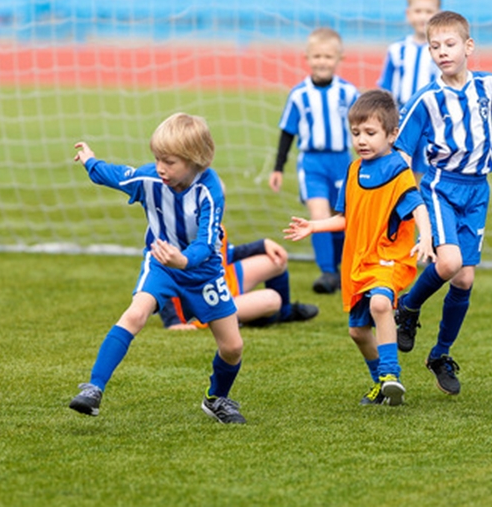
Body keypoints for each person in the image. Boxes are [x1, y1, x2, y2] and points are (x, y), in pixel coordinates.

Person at [68, 113, 247, 424]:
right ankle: (93, 388)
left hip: (203, 271)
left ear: (196, 159)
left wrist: (184, 260)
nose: (161, 167)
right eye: (157, 158)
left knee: (232, 346)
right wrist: (90, 162)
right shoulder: (150, 179)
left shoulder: (210, 189)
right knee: (135, 314)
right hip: (162, 265)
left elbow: (206, 243)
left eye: (170, 161)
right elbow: (115, 176)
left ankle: (217, 399)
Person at [392, 11, 492, 396]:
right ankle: (409, 306)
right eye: (434, 46)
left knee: (465, 278)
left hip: (478, 190)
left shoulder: (489, 87)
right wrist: (403, 196)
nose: (442, 52)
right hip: (440, 187)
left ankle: (440, 354)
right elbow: (401, 153)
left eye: (449, 44)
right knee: (450, 263)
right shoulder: (426, 99)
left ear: (469, 47)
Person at [285, 90, 435, 406]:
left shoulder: (397, 168)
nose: (361, 140)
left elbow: (417, 205)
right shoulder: (353, 170)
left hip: (388, 258)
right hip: (359, 263)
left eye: (370, 133)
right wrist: (315, 225)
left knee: (381, 305)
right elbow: (346, 218)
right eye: (356, 133)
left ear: (392, 134)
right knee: (357, 332)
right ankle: (382, 384)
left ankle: (392, 374)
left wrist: (426, 236)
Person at [269, 27, 360, 295]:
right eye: (317, 56)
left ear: (339, 58)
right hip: (312, 164)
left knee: (341, 216)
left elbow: (364, 126)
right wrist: (278, 168)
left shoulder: (349, 93)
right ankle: (327, 272)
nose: (322, 61)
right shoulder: (299, 95)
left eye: (328, 57)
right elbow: (287, 132)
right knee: (319, 215)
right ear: (307, 57)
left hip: (342, 162)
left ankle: (345, 267)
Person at [158, 225, 319, 330]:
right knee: (272, 299)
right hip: (205, 306)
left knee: (276, 261)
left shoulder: (215, 225)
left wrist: (262, 245)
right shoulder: (177, 233)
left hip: (225, 284)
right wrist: (173, 322)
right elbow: (162, 275)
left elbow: (226, 255)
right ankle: (253, 318)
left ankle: (285, 313)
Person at [377, 0, 441, 109]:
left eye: (429, 12)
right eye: (418, 11)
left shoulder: (443, 50)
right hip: (401, 113)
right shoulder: (396, 49)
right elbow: (386, 86)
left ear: (438, 14)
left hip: (432, 114)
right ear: (408, 13)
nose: (423, 17)